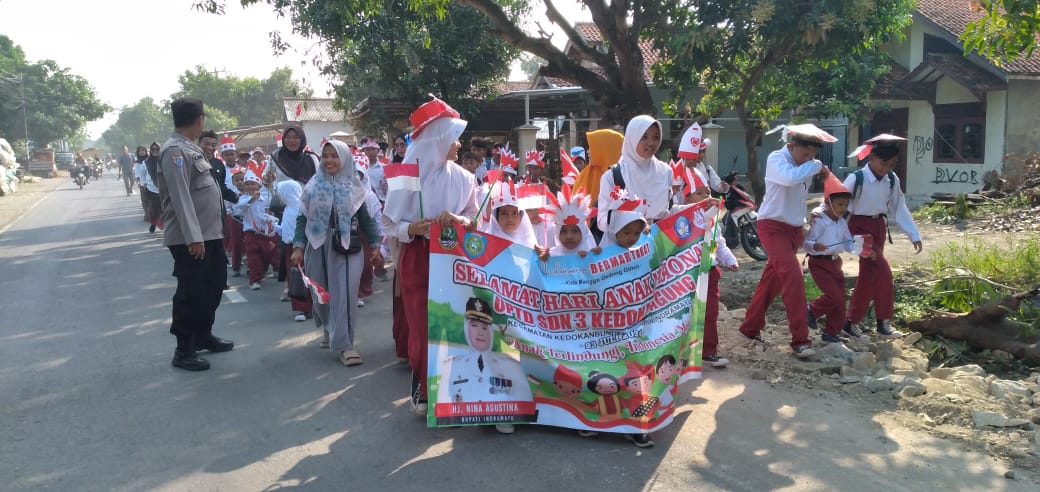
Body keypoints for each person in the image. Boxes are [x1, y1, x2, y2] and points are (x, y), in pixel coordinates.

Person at [382, 96, 477, 417]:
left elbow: (474, 216)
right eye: (454, 137)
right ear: (438, 141)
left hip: (453, 258)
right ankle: (423, 379)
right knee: (422, 323)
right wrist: (413, 227)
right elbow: (389, 222)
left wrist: (460, 220)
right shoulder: (405, 177)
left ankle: (454, 385)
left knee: (452, 320)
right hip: (418, 256)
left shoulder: (465, 178)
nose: (459, 144)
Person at [737, 124, 835, 358]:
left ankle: (750, 327)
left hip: (793, 230)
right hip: (771, 226)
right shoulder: (776, 158)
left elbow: (799, 195)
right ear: (791, 146)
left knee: (772, 282)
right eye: (804, 154)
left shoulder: (808, 165)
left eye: (813, 155)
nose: (808, 159)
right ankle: (800, 339)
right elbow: (790, 179)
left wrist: (803, 226)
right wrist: (815, 165)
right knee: (793, 277)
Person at [155, 97, 233, 371]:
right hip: (191, 237)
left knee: (213, 286)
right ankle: (184, 349)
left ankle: (203, 335)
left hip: (210, 234)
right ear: (200, 119)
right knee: (191, 291)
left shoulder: (191, 148)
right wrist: (194, 237)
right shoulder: (174, 151)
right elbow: (180, 198)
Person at [290, 140, 381, 367]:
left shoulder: (354, 186)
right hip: (317, 246)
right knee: (321, 293)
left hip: (347, 247)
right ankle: (330, 327)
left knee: (346, 295)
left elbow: (366, 220)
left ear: (345, 158)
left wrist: (376, 245)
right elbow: (302, 218)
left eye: (334, 155)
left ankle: (346, 345)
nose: (329, 160)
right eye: (325, 156)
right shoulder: (313, 185)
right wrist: (299, 246)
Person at [842, 134, 922, 339]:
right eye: (883, 163)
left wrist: (913, 234)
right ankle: (883, 321)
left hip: (878, 227)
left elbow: (899, 207)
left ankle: (851, 322)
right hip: (858, 227)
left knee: (868, 277)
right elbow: (836, 203)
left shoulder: (892, 180)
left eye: (892, 164)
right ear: (871, 158)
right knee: (884, 271)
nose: (886, 168)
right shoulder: (856, 178)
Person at [436, 297, 533, 434]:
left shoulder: (511, 366)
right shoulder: (452, 365)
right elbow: (443, 401)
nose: (480, 332)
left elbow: (525, 400)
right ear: (466, 327)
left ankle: (503, 418)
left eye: (484, 327)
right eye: (474, 325)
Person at [675, 167, 737, 367]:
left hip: (709, 271)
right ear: (686, 198)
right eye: (699, 193)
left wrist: (729, 259)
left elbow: (719, 242)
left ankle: (708, 350)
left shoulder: (713, 217)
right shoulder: (681, 217)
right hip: (687, 275)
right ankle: (682, 352)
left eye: (707, 192)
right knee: (685, 314)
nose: (706, 196)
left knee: (710, 312)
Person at [596, 116, 673, 234]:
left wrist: (699, 207)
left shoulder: (665, 172)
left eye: (656, 137)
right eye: (644, 137)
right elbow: (602, 220)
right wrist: (633, 226)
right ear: (632, 138)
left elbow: (668, 211)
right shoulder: (613, 176)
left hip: (660, 245)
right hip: (626, 248)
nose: (651, 143)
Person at [805, 173, 855, 345]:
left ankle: (831, 333)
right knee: (833, 296)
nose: (843, 209)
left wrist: (862, 249)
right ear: (828, 203)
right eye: (840, 205)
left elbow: (849, 242)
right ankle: (810, 310)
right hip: (819, 263)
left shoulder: (841, 222)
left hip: (836, 262)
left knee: (840, 300)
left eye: (846, 205)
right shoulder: (818, 220)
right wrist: (815, 245)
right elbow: (806, 242)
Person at [235, 171, 279, 290]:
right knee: (253, 256)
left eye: (253, 184)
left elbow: (273, 205)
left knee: (266, 254)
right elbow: (240, 208)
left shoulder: (265, 198)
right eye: (247, 184)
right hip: (251, 233)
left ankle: (262, 271)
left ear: (259, 186)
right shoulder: (243, 199)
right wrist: (251, 200)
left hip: (264, 233)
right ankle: (254, 280)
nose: (250, 186)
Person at [277, 179, 312, 322]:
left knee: (300, 276)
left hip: (298, 248)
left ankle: (304, 307)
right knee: (297, 277)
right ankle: (303, 307)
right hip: (291, 247)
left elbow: (296, 231)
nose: (279, 197)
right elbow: (286, 231)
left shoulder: (298, 209)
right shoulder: (288, 209)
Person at [676, 123, 728, 194]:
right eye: (699, 152)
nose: (702, 155)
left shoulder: (707, 170)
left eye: (703, 152)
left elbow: (717, 186)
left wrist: (723, 187)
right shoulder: (676, 172)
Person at [201, 131, 239, 203]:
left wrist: (236, 197)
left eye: (213, 145)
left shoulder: (218, 163)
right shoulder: (192, 162)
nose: (210, 148)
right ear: (199, 144)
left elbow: (221, 188)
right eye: (206, 144)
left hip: (218, 208)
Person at [135, 146, 163, 233]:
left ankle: (163, 224)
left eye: (157, 149)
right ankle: (153, 223)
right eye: (153, 149)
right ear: (150, 151)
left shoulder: (164, 160)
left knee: (164, 208)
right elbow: (141, 174)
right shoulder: (146, 162)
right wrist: (144, 184)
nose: (155, 151)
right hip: (151, 188)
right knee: (154, 208)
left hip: (164, 188)